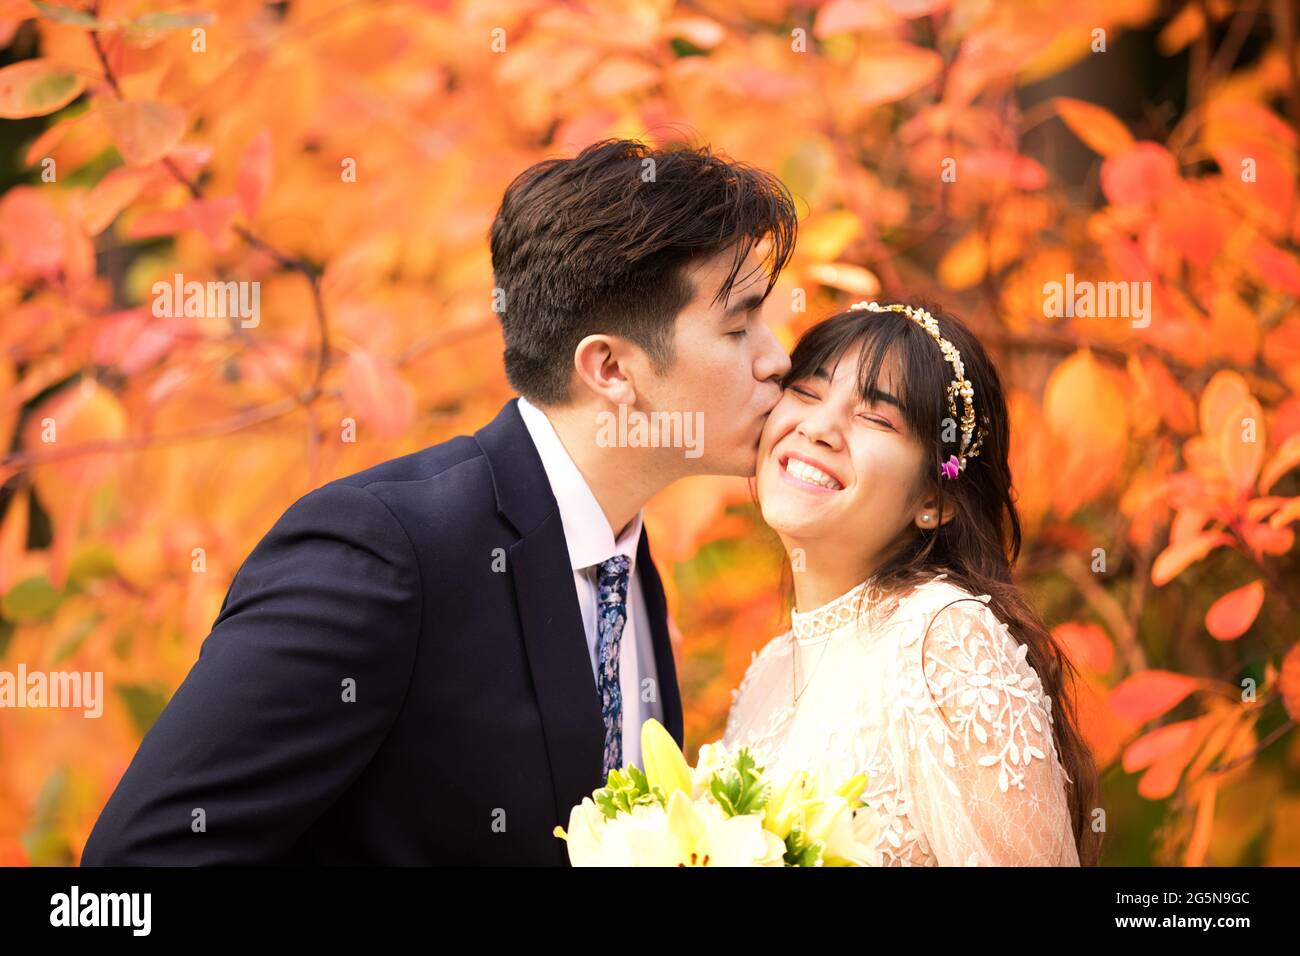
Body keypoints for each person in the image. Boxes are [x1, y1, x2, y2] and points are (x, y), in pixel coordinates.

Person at [81, 139, 797, 865]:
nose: (777, 359)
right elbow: (137, 866)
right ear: (610, 368)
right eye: (738, 327)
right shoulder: (384, 551)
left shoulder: (627, 564)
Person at [723, 299, 1103, 866]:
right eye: (807, 390)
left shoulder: (944, 641)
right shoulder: (765, 673)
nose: (820, 428)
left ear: (934, 500)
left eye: (877, 417)